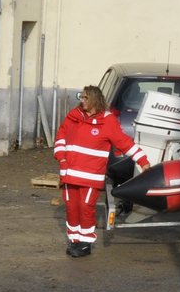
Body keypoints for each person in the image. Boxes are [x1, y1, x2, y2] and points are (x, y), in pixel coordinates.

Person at [53, 85, 149, 257]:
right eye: (81, 97)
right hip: (69, 173)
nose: (82, 101)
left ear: (95, 100)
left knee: (86, 207)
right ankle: (74, 240)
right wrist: (62, 158)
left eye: (86, 98)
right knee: (71, 207)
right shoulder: (73, 116)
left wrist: (143, 161)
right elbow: (61, 136)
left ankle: (85, 243)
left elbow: (124, 142)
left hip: (90, 176)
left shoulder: (108, 121)